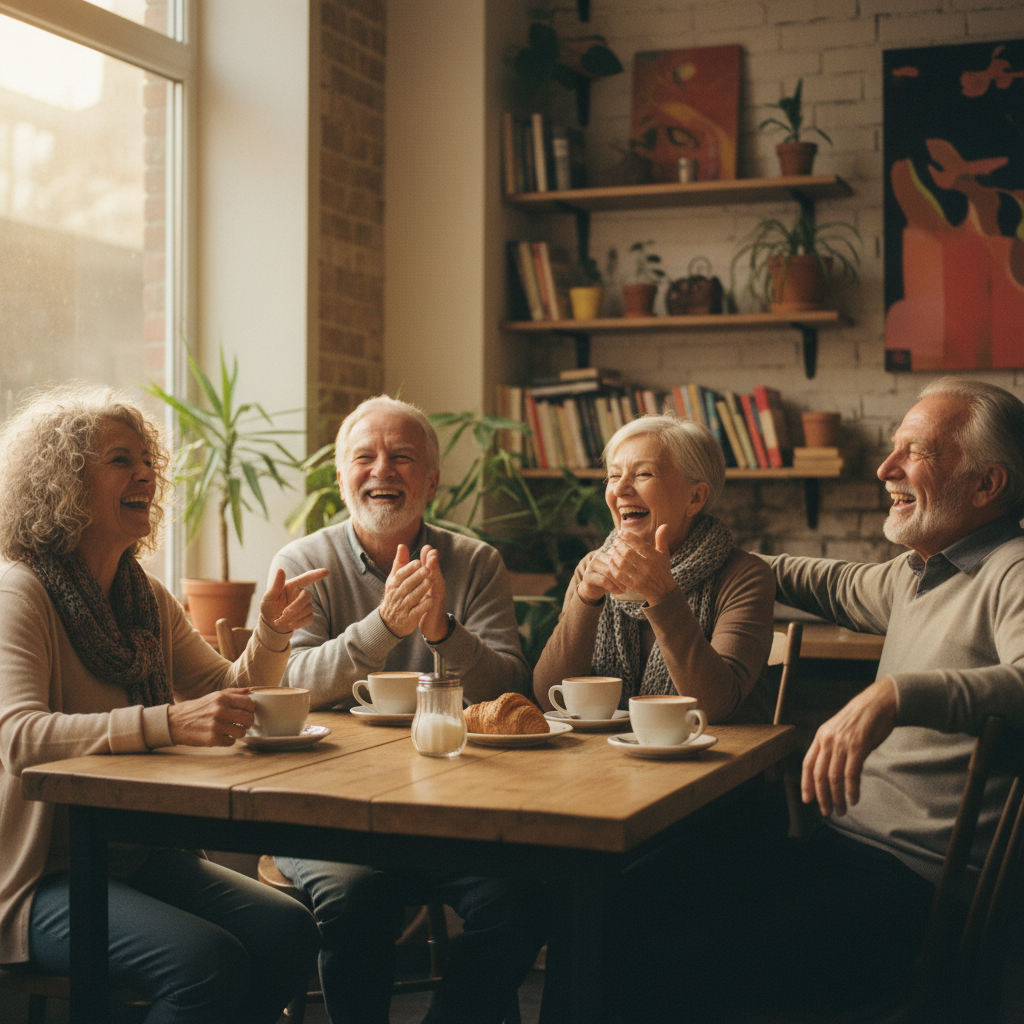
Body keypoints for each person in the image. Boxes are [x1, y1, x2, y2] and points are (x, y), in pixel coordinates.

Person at [628, 377, 1024, 1021]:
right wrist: (700, 553)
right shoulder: (921, 571)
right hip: (846, 851)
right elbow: (822, 580)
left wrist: (894, 695)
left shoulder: (1012, 566)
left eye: (915, 452)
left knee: (659, 957)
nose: (884, 467)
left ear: (987, 485)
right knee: (634, 894)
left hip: (917, 888)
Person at [0, 384, 326, 1024]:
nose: (147, 473)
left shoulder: (142, 595)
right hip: (39, 878)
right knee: (206, 963)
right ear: (63, 483)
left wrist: (273, 635)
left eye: (148, 459)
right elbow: (18, 737)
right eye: (121, 459)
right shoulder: (23, 593)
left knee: (290, 930)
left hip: (137, 855)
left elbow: (226, 691)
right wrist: (165, 722)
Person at [269, 395, 544, 1024]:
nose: (382, 470)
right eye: (364, 457)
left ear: (432, 480)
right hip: (323, 808)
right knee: (357, 899)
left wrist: (444, 631)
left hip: (450, 810)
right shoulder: (302, 562)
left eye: (402, 457)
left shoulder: (474, 562)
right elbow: (287, 685)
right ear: (340, 477)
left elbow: (512, 688)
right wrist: (383, 626)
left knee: (523, 897)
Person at [533, 414, 775, 723]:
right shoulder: (591, 570)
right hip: (604, 759)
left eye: (643, 474)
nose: (620, 489)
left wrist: (663, 596)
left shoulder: (745, 577)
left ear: (695, 497)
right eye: (613, 475)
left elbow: (714, 707)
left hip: (713, 761)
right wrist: (586, 600)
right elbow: (547, 695)